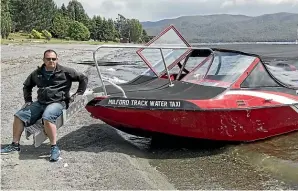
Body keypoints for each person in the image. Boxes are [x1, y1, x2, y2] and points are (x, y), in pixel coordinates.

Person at [1, 49, 88, 162]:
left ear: (57, 59)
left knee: (47, 117)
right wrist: (28, 100)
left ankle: (54, 147)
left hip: (58, 102)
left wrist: (79, 93)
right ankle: (15, 145)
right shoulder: (37, 73)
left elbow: (83, 78)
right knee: (19, 116)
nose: (51, 61)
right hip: (40, 103)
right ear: (43, 60)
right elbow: (27, 86)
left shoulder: (66, 71)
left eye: (53, 59)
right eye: (48, 59)